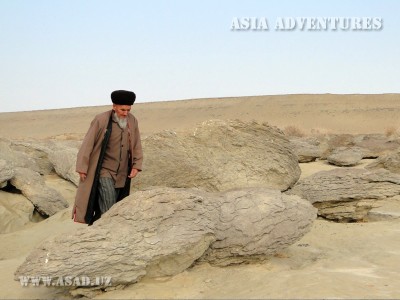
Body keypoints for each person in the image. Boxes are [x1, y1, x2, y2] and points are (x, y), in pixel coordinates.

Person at [72, 90, 143, 225]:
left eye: (128, 110)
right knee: (108, 205)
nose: (125, 113)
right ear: (114, 106)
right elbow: (88, 143)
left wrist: (136, 165)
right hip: (105, 170)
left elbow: (137, 144)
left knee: (116, 205)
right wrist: (82, 167)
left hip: (123, 173)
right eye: (122, 109)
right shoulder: (101, 120)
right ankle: (105, 233)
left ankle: (96, 229)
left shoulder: (132, 120)